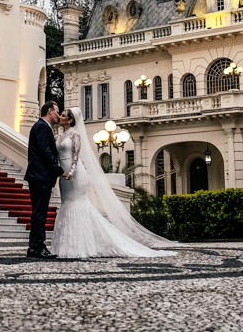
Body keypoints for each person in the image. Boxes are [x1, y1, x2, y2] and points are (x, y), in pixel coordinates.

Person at [52, 106, 176, 259]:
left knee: (78, 205)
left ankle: (82, 245)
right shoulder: (58, 137)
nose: (60, 117)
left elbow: (76, 157)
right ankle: (66, 244)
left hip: (76, 175)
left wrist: (71, 172)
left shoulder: (75, 135)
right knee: (67, 205)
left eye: (63, 115)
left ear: (70, 120)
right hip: (63, 176)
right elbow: (56, 158)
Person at [24, 101, 66, 259]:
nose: (58, 114)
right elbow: (45, 151)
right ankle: (38, 246)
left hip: (39, 176)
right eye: (57, 111)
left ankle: (34, 246)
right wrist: (58, 170)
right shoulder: (41, 126)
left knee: (38, 212)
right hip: (40, 176)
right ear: (49, 111)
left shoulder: (41, 126)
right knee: (40, 213)